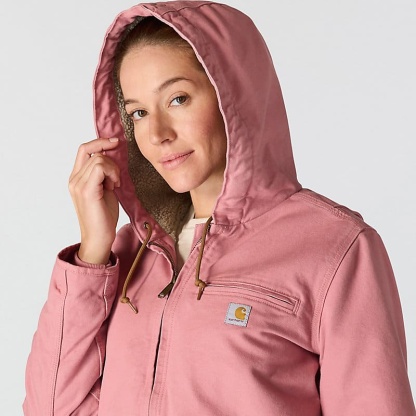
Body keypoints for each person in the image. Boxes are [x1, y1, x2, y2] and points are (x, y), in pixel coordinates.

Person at [24, 2, 415, 415]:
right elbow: (49, 409)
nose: (157, 133)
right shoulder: (127, 254)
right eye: (138, 112)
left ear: (233, 96)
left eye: (177, 99)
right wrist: (92, 251)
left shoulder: (335, 248)